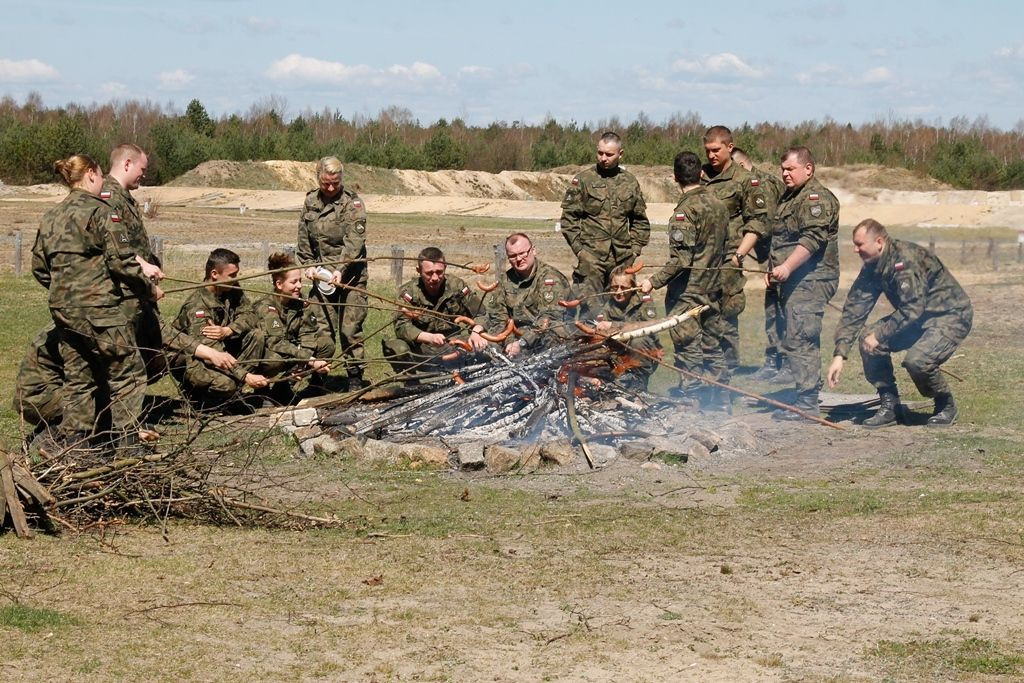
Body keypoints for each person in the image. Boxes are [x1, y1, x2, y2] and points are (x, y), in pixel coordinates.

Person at [31, 154, 160, 450]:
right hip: (100, 310)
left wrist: (65, 291)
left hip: (64, 311)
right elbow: (122, 262)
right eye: (100, 175)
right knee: (128, 370)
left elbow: (39, 267)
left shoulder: (51, 216)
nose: (102, 182)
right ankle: (128, 445)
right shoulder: (101, 211)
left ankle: (76, 446)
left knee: (79, 376)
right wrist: (148, 289)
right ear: (90, 174)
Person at [827, 219, 972, 427]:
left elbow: (912, 308)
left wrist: (879, 335)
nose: (855, 250)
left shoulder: (905, 259)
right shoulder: (872, 265)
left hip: (950, 316)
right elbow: (854, 310)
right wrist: (840, 355)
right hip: (918, 318)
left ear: (879, 242)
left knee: (918, 361)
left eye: (859, 244)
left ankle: (945, 404)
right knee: (867, 341)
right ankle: (891, 405)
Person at [15, 321, 244, 432]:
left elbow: (165, 332)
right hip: (39, 398)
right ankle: (55, 435)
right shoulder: (98, 321)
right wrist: (127, 429)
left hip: (61, 392)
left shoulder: (116, 312)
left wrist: (212, 353)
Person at [640, 151, 729, 407]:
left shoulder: (685, 212)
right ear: (701, 173)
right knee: (713, 347)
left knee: (688, 348)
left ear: (674, 178)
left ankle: (693, 402)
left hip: (689, 292)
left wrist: (653, 281)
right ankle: (721, 402)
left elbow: (681, 260)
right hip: (715, 287)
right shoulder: (718, 204)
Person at [766, 146, 840, 420]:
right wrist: (772, 268)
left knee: (802, 337)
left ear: (808, 169)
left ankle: (807, 404)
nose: (785, 174)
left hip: (812, 278)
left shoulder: (814, 198)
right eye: (782, 169)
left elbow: (812, 239)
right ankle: (804, 395)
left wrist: (786, 266)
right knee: (793, 335)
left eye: (790, 169)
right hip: (794, 278)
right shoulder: (791, 197)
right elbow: (781, 239)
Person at [701, 126, 772, 372]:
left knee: (727, 313)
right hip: (701, 260)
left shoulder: (744, 180)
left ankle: (729, 367)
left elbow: (757, 222)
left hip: (729, 258)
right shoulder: (701, 177)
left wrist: (739, 255)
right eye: (708, 150)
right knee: (701, 311)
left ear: (729, 148)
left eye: (716, 150)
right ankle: (706, 365)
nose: (711, 155)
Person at [296, 156, 368, 389]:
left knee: (350, 329)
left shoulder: (352, 204)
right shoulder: (310, 201)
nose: (330, 188)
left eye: (335, 183)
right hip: (321, 277)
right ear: (318, 178)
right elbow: (304, 238)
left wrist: (340, 270)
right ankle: (319, 376)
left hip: (351, 276)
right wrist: (308, 264)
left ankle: (355, 376)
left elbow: (354, 242)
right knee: (320, 328)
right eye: (326, 183)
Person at [559, 131, 650, 311]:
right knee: (591, 310)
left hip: (622, 259)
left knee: (624, 311)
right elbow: (569, 220)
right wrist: (580, 252)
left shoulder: (630, 182)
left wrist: (634, 251)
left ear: (620, 154)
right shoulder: (583, 180)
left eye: (609, 154)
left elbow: (640, 221)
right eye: (600, 153)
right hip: (592, 259)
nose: (603, 158)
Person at [101, 143, 167, 382]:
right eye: (142, 168)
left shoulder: (125, 197)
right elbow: (112, 241)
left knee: (149, 350)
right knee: (123, 355)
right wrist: (143, 264)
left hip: (136, 286)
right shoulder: (107, 195)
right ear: (127, 164)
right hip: (121, 290)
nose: (144, 174)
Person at [170, 249, 267, 408]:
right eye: (232, 275)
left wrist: (229, 330)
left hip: (220, 350)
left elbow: (251, 315)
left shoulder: (231, 289)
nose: (236, 279)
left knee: (257, 335)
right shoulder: (197, 307)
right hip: (193, 359)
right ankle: (196, 397)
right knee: (227, 384)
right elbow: (210, 352)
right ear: (215, 274)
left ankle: (231, 394)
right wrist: (246, 377)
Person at [382, 247, 488, 376]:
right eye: (429, 273)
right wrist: (429, 337)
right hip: (422, 350)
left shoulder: (456, 286)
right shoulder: (408, 293)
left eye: (439, 272)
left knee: (490, 342)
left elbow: (482, 314)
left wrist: (476, 332)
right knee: (397, 348)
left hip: (454, 345)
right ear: (419, 271)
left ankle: (475, 375)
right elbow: (401, 327)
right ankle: (412, 383)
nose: (435, 278)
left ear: (445, 268)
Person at [731, 147, 789, 382]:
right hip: (770, 256)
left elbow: (768, 226)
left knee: (783, 310)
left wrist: (771, 262)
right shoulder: (756, 182)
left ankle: (785, 364)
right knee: (772, 309)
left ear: (742, 167)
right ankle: (773, 361)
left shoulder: (758, 184)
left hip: (780, 256)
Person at [252, 252, 336, 405]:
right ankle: (262, 393)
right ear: (279, 284)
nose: (299, 286)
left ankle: (294, 388)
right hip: (270, 353)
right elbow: (276, 343)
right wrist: (309, 360)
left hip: (293, 352)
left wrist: (302, 365)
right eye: (294, 282)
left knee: (326, 344)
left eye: (300, 281)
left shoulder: (300, 303)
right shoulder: (266, 307)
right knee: (275, 360)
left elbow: (309, 334)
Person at [483, 233, 572, 358]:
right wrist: (508, 342)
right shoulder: (504, 280)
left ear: (533, 250)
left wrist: (522, 343)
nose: (519, 259)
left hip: (540, 335)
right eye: (513, 256)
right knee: (486, 347)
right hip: (513, 335)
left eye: (522, 253)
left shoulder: (550, 278)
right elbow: (498, 318)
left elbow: (548, 318)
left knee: (552, 333)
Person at [593, 266, 662, 392]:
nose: (618, 292)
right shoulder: (607, 305)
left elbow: (649, 327)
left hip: (647, 352)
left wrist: (613, 326)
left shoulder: (644, 301)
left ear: (633, 287)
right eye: (614, 287)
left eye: (623, 288)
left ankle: (639, 389)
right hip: (619, 353)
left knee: (638, 340)